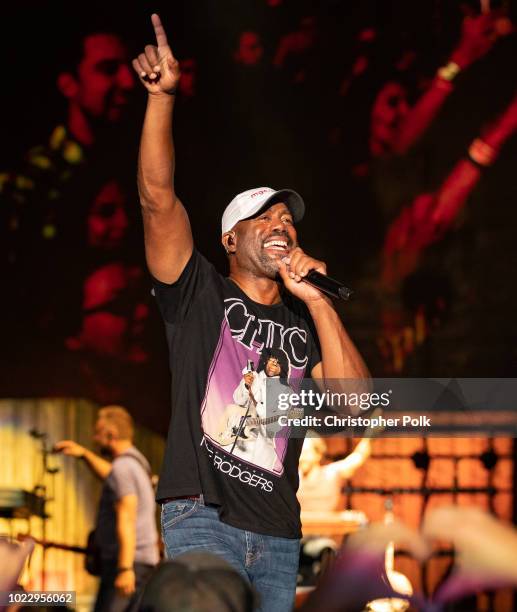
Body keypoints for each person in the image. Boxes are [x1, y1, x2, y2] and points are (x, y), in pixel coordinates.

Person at [133, 14, 369, 612]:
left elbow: (356, 411)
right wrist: (162, 100)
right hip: (201, 516)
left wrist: (316, 300)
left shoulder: (302, 326)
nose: (281, 224)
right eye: (263, 217)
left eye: (287, 219)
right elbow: (157, 199)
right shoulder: (197, 292)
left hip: (279, 531)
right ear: (231, 241)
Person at [54, 406, 159, 612]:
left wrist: (124, 569)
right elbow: (113, 476)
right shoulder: (137, 463)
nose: (94, 438)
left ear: (111, 435)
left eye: (97, 433)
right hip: (141, 563)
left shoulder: (122, 469)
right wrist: (84, 454)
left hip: (129, 564)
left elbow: (126, 517)